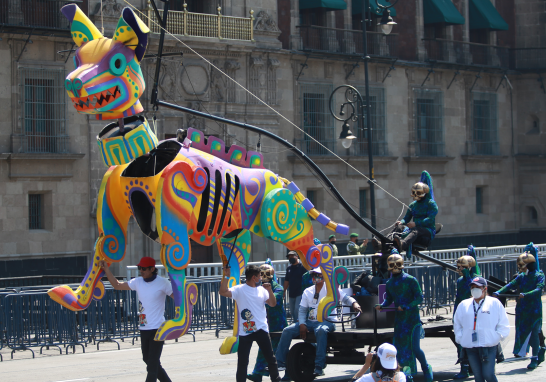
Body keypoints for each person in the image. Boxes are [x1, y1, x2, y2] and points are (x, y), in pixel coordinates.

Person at [276, 267, 362, 377]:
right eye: (313, 275)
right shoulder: (308, 291)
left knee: (321, 330)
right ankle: (280, 362)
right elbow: (302, 310)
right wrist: (302, 324)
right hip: (310, 321)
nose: (315, 277)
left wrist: (354, 303)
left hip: (327, 321)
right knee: (287, 330)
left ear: (324, 276)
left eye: (318, 275)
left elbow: (345, 298)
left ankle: (319, 365)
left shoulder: (331, 289)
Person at [99, 256, 173, 382]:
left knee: (152, 363)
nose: (141, 270)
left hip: (158, 328)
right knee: (148, 360)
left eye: (144, 268)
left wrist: (186, 302)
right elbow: (117, 285)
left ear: (152, 269)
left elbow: (177, 299)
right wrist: (106, 269)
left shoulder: (163, 283)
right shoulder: (137, 282)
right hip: (144, 327)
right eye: (140, 268)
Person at [376, 249, 433, 382]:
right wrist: (382, 305)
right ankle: (405, 372)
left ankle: (426, 368)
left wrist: (407, 306)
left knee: (415, 348)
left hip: (412, 320)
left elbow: (419, 298)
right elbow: (388, 299)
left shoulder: (410, 280)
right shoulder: (389, 283)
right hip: (400, 321)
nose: (395, 268)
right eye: (392, 265)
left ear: (402, 265)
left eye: (397, 264)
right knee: (400, 348)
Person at [220, 264, 281, 382]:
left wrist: (269, 290)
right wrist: (226, 277)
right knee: (243, 361)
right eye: (259, 276)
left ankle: (276, 379)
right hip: (246, 331)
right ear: (254, 277)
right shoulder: (239, 289)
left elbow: (273, 304)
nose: (261, 278)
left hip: (261, 329)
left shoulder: (262, 290)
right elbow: (223, 292)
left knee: (271, 358)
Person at [494, 242, 545, 369]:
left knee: (534, 334)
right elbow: (510, 284)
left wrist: (526, 294)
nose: (520, 267)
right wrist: (499, 292)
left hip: (534, 310)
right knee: (524, 333)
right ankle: (541, 351)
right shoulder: (521, 277)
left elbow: (539, 290)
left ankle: (534, 358)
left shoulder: (539, 276)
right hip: (523, 310)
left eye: (522, 265)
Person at [454, 277, 510, 382]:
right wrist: (460, 338)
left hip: (488, 346)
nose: (475, 289)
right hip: (471, 347)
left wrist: (497, 336)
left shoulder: (494, 303)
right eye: (473, 287)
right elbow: (457, 324)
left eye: (478, 287)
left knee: (488, 374)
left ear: (485, 288)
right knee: (478, 377)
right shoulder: (464, 304)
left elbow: (503, 322)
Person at [247, 263, 288, 382]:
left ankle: (290, 373)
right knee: (264, 350)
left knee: (281, 351)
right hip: (266, 325)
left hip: (278, 324)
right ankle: (258, 373)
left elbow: (271, 302)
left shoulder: (278, 288)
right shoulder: (258, 289)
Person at [453, 245, 481, 379]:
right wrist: (455, 314)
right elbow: (458, 299)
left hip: (473, 316)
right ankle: (464, 368)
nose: (459, 270)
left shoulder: (475, 280)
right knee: (461, 343)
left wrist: (468, 276)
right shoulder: (459, 281)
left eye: (461, 267)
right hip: (462, 314)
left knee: (473, 343)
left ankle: (475, 367)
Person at [392, 171, 438, 254]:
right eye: (414, 192)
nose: (416, 195)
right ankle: (385, 242)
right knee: (399, 228)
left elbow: (430, 219)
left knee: (415, 230)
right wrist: (401, 222)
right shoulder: (413, 205)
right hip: (414, 228)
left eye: (419, 193)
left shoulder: (431, 204)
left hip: (427, 232)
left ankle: (403, 244)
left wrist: (416, 223)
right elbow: (406, 218)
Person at [283, 251, 306, 323]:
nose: (290, 258)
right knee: (292, 311)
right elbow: (287, 280)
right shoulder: (289, 268)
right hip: (291, 293)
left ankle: (298, 324)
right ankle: (295, 322)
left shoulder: (303, 267)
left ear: (297, 256)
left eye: (292, 256)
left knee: (297, 309)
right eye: (289, 257)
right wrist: (284, 291)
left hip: (300, 292)